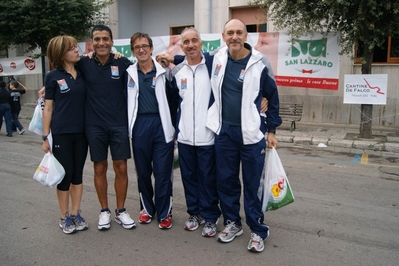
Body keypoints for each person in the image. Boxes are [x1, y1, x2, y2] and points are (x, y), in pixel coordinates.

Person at [207, 19, 282, 252]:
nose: (234, 37)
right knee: (226, 181)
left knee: (252, 185)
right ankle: (232, 223)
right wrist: (170, 59)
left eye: (239, 32)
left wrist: (271, 130)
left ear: (246, 36)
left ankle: (258, 230)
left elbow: (273, 96)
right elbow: (190, 56)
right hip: (224, 132)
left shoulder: (260, 62)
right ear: (223, 35)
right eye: (230, 33)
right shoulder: (217, 58)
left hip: (251, 134)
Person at [75, 25, 135, 230]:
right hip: (94, 125)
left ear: (112, 41)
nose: (101, 43)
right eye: (97, 39)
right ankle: (104, 211)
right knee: (99, 167)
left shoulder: (123, 62)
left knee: (121, 168)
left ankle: (121, 211)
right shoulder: (83, 63)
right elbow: (63, 72)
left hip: (119, 124)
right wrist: (47, 87)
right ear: (92, 42)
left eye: (105, 39)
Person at [167, 27, 221, 236]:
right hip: (185, 137)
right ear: (181, 46)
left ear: (201, 43)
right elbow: (174, 104)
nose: (191, 45)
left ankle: (210, 216)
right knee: (189, 177)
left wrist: (265, 97)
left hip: (208, 136)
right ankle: (194, 213)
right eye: (186, 42)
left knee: (208, 178)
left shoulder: (212, 66)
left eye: (194, 41)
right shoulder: (177, 72)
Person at [126, 32, 176, 229]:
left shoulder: (165, 71)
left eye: (144, 45)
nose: (141, 49)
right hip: (139, 126)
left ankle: (165, 212)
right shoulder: (129, 72)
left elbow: (175, 100)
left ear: (151, 48)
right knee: (143, 172)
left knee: (163, 173)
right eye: (137, 47)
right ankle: (146, 208)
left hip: (161, 125)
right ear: (132, 50)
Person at [42, 35, 89, 234]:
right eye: (71, 48)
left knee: (77, 175)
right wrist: (45, 137)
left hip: (82, 133)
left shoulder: (83, 71)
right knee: (65, 176)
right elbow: (48, 108)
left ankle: (76, 213)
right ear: (61, 54)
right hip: (61, 133)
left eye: (76, 47)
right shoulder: (52, 76)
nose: (76, 50)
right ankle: (64, 217)